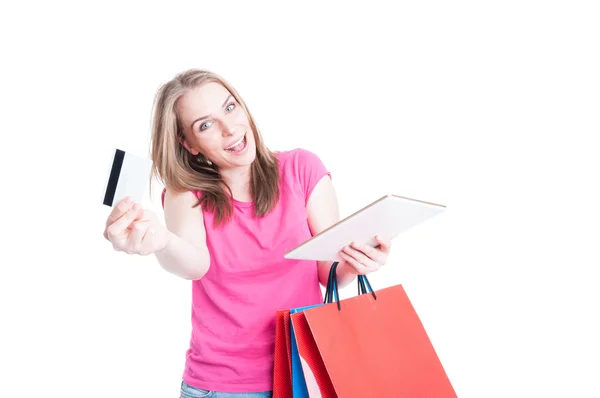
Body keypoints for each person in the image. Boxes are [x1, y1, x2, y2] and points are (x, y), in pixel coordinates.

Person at [103, 68, 392, 398]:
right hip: (222, 387)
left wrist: (357, 261)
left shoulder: (302, 169)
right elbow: (194, 264)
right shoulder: (186, 194)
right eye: (206, 125)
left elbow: (328, 272)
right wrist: (162, 241)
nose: (230, 129)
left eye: (229, 108)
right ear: (189, 144)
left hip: (304, 376)